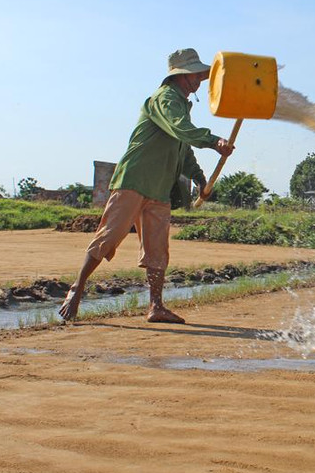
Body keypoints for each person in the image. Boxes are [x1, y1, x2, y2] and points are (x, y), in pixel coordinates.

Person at [59, 48, 233, 324]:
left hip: (159, 188)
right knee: (109, 236)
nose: (199, 81)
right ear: (180, 76)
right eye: (194, 75)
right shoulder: (164, 99)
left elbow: (183, 149)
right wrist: (214, 141)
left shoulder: (181, 107)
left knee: (157, 249)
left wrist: (201, 180)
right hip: (134, 181)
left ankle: (156, 306)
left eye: (200, 75)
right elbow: (181, 129)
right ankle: (76, 289)